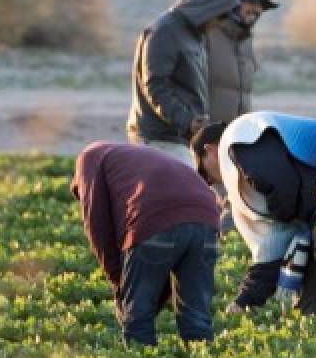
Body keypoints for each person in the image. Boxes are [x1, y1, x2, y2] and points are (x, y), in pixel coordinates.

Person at [191, 113, 316, 313]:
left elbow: (283, 187)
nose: (210, 183)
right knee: (311, 308)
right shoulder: (247, 177)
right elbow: (270, 252)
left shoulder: (239, 137)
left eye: (203, 173)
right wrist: (243, 301)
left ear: (211, 150)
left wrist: (286, 218)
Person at [71, 142, 221, 346]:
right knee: (196, 315)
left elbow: (98, 228)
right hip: (207, 219)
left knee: (137, 317)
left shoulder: (89, 158)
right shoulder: (134, 158)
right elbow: (163, 267)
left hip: (155, 219)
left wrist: (121, 287)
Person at [126, 0, 239, 166]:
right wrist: (187, 121)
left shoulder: (194, 34)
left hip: (179, 137)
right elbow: (155, 85)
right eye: (220, 15)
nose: (220, 22)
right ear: (206, 7)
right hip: (159, 138)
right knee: (176, 193)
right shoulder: (165, 31)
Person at [207, 0, 278, 126]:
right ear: (231, 4)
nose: (256, 9)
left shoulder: (246, 40)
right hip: (204, 138)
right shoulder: (207, 35)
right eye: (249, 2)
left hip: (235, 135)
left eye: (260, 5)